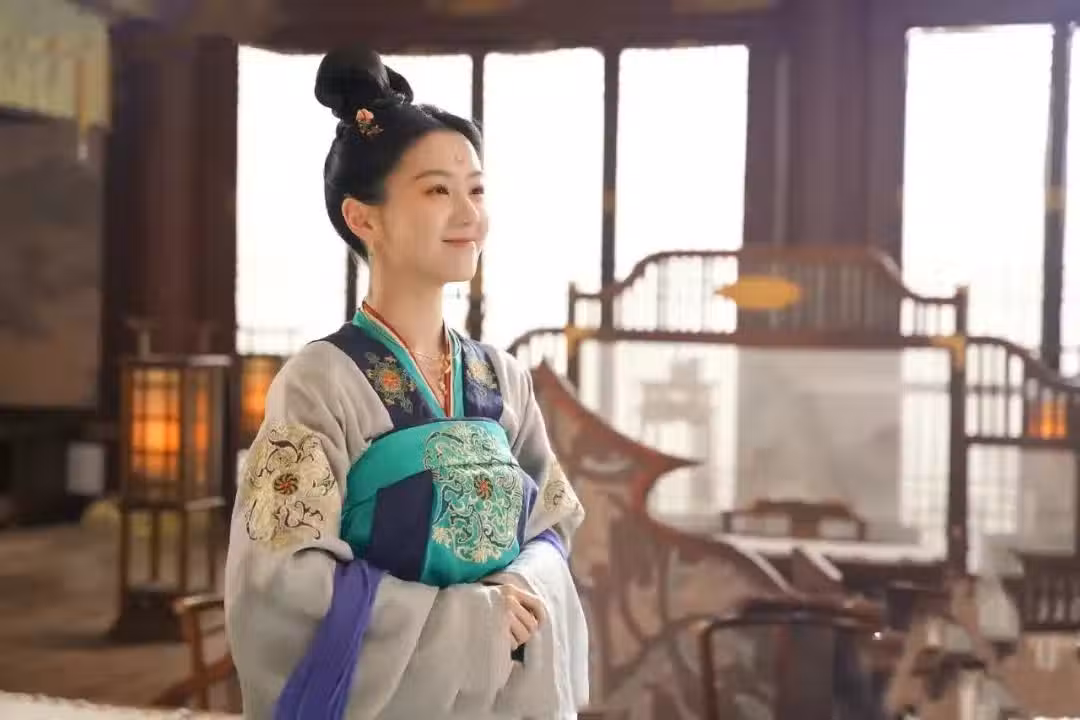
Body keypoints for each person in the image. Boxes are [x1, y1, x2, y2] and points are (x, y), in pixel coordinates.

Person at [223, 46, 589, 720]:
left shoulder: (502, 379)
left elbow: (554, 526)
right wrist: (469, 621)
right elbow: (279, 581)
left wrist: (517, 590)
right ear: (364, 218)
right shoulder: (319, 383)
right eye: (438, 191)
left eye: (476, 190)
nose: (469, 215)